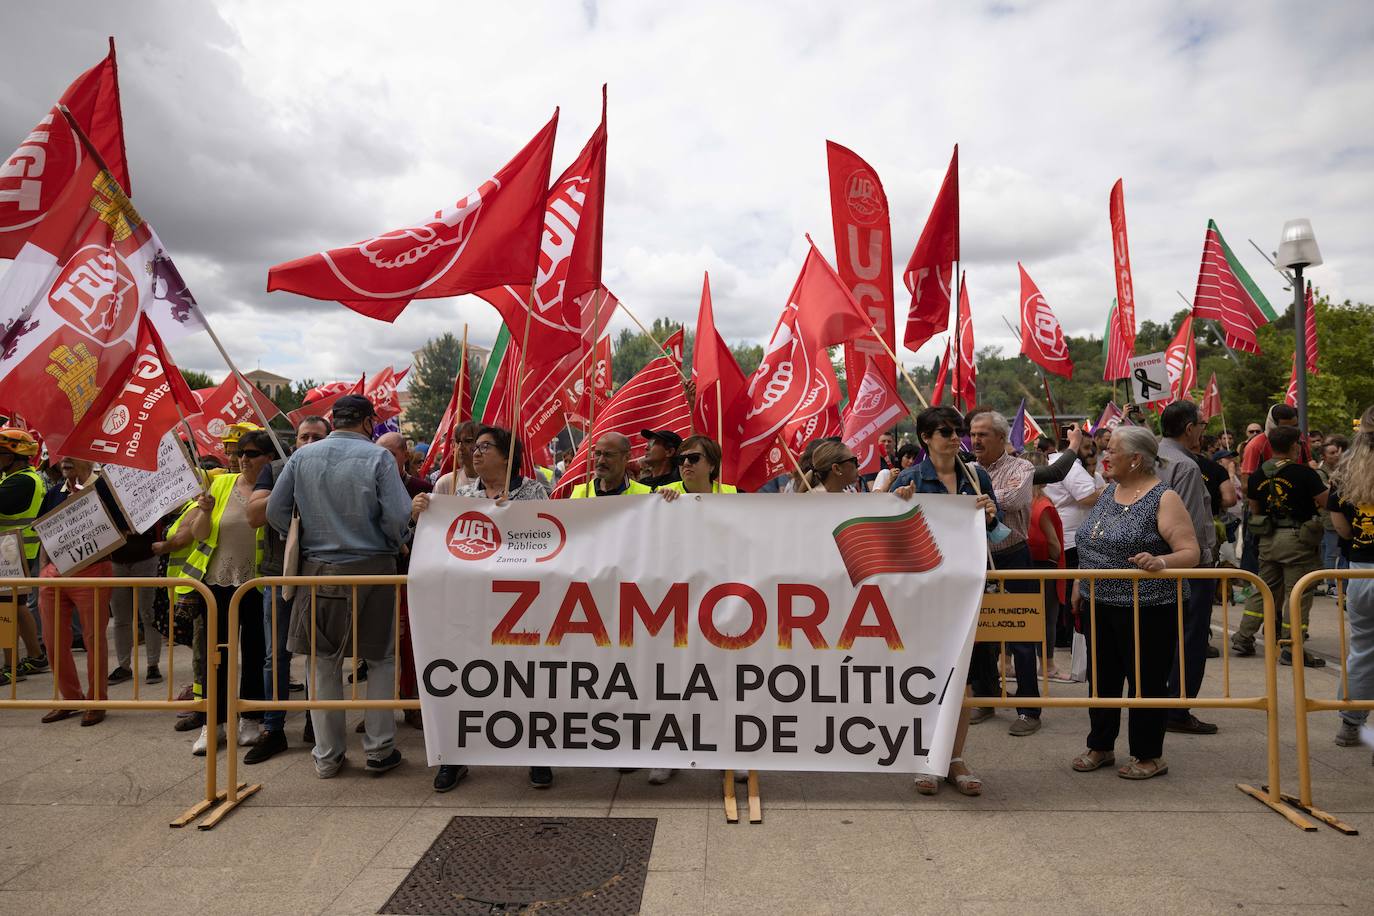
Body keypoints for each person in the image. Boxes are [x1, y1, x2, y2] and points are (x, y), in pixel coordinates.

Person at [267, 395, 411, 779]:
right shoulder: (379, 458)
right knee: (381, 659)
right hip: (375, 569)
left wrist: (305, 534)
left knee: (321, 663)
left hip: (317, 571)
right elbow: (397, 516)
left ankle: (327, 756)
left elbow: (274, 511)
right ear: (368, 422)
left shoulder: (302, 457)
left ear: (335, 420)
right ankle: (380, 751)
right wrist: (390, 538)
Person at [411, 425, 553, 792]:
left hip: (521, 606)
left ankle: (537, 755)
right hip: (470, 607)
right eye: (475, 447)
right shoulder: (460, 495)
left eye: (486, 447)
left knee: (526, 680)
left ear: (507, 457)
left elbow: (552, 539)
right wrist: (423, 514)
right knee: (465, 678)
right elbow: (439, 543)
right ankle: (454, 758)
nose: (475, 452)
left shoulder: (535, 491)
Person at [1071, 426, 1201, 780]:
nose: (1104, 456)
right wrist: (1079, 585)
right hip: (1099, 601)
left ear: (1136, 459)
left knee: (1146, 681)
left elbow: (1190, 552)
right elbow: (1090, 543)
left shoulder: (1164, 497)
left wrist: (1161, 562)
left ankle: (1148, 755)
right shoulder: (1109, 491)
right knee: (1102, 679)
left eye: (1111, 450)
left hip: (1149, 607)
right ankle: (1100, 746)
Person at [893, 406, 999, 797]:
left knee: (964, 679)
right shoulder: (908, 479)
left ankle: (954, 758)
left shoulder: (976, 475)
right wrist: (900, 505)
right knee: (928, 676)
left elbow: (998, 534)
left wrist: (989, 514)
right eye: (945, 431)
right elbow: (892, 541)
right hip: (926, 594)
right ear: (925, 438)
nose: (955, 437)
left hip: (968, 590)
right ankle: (927, 757)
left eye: (959, 430)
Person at [174, 430, 272, 755]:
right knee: (218, 657)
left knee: (257, 654)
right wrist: (204, 510)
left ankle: (249, 720)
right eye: (241, 452)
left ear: (269, 458)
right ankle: (212, 725)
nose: (244, 458)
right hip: (217, 583)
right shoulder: (220, 484)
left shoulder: (273, 490)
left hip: (255, 585)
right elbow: (201, 535)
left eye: (253, 452)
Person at [242, 416, 330, 765]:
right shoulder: (277, 470)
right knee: (275, 655)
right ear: (294, 442)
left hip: (321, 573)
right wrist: (289, 483)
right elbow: (253, 515)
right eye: (303, 436)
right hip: (279, 575)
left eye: (317, 437)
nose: (309, 442)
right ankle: (273, 728)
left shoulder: (333, 470)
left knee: (318, 653)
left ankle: (316, 722)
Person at [970, 410, 1042, 736]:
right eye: (972, 434)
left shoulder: (1022, 467)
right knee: (979, 634)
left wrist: (971, 496)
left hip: (1012, 557)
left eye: (983, 434)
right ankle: (986, 697)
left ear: (1002, 438)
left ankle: (1029, 709)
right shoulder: (966, 469)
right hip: (976, 560)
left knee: (1021, 634)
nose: (975, 440)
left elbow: (1013, 500)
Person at [1231, 425, 1329, 666]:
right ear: (1295, 446)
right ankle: (1290, 647)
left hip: (1268, 539)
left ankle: (1244, 637)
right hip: (1298, 541)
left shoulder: (1257, 475)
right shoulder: (1305, 474)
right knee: (1299, 593)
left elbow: (1254, 508)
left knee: (1263, 589)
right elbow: (1326, 501)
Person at [35, 458, 116, 726]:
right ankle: (69, 699)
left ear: (88, 458)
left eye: (72, 454)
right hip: (54, 575)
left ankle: (96, 702)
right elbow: (44, 530)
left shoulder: (104, 488)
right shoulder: (54, 492)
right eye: (62, 455)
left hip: (92, 571)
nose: (65, 460)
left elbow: (121, 527)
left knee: (94, 638)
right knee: (52, 639)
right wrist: (44, 567)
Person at [1155, 401, 1220, 736]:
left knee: (1164, 637)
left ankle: (1159, 704)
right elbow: (1192, 523)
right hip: (1189, 565)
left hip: (1155, 561)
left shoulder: (1149, 456)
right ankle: (1177, 709)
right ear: (1189, 428)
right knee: (1191, 637)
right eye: (1201, 425)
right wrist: (1204, 560)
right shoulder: (1186, 466)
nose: (1202, 432)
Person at [1327, 407, 1374, 754]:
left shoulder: (1345, 471)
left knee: (1362, 650)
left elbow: (1340, 526)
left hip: (1360, 570)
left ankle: (1351, 724)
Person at [0, 429, 48, 685]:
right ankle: (35, 655)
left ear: (14, 455)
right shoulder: (21, 478)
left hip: (9, 554)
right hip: (14, 553)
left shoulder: (21, 481)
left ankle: (11, 666)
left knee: (5, 610)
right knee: (16, 608)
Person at [1025, 451, 1066, 681]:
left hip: (1022, 564)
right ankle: (1048, 665)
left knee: (1018, 616)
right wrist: (1055, 556)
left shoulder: (1018, 499)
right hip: (1044, 566)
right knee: (1047, 617)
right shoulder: (1043, 503)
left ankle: (1007, 662)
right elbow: (1053, 541)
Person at [571, 433, 653, 497]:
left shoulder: (644, 494)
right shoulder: (579, 494)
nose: (601, 461)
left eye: (608, 455)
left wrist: (664, 499)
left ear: (626, 457)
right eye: (598, 454)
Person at [1318, 435, 1350, 595]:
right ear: (1323, 456)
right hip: (1329, 519)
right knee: (1331, 552)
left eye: (1336, 452)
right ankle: (1331, 584)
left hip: (1337, 517)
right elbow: (1327, 491)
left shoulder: (1341, 469)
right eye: (1331, 453)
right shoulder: (1320, 472)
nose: (1336, 455)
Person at [658, 436, 737, 497]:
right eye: (681, 459)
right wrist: (661, 501)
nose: (686, 463)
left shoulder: (735, 495)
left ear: (712, 464)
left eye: (693, 458)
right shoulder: (661, 494)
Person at [433, 421, 480, 495]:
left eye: (468, 441)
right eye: (457, 442)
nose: (460, 447)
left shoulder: (500, 485)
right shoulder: (445, 483)